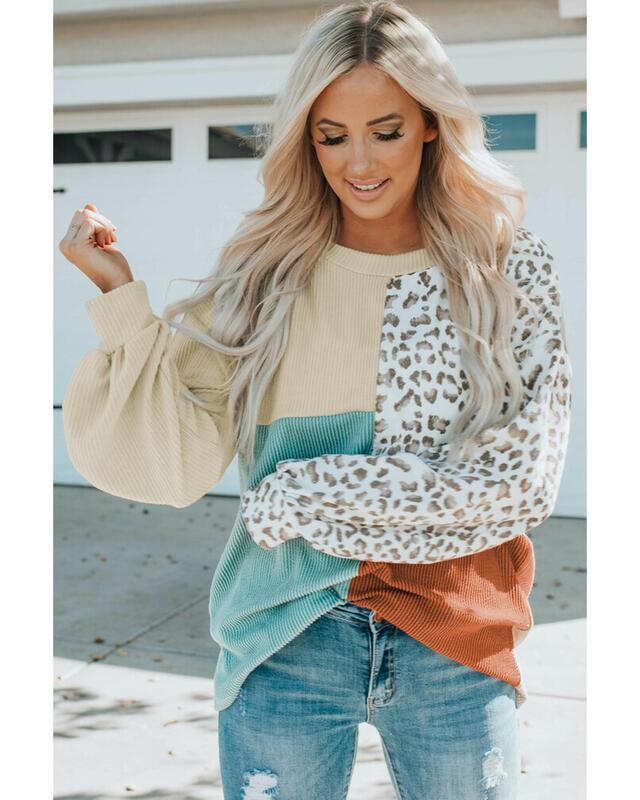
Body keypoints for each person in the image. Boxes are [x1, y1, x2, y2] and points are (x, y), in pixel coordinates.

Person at [58, 2, 572, 798]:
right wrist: (120, 300)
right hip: (285, 633)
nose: (358, 162)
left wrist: (299, 493)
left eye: (385, 130)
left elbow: (519, 485)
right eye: (332, 136)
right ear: (306, 139)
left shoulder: (506, 271)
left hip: (456, 634)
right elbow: (176, 464)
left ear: (430, 123)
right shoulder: (264, 277)